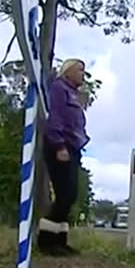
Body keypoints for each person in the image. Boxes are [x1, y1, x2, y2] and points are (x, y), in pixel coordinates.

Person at [37, 59, 90, 257]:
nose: (83, 74)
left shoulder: (74, 94)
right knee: (65, 194)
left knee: (70, 195)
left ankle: (60, 240)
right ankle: (46, 241)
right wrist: (59, 145)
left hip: (73, 147)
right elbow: (56, 117)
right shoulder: (59, 89)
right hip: (60, 146)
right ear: (67, 72)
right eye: (80, 70)